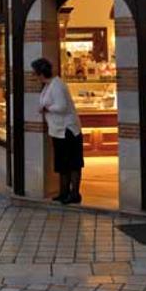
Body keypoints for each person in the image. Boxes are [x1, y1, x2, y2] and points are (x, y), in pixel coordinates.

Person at [32, 57, 83, 204]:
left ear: (42, 73)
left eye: (36, 74)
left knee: (72, 163)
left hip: (68, 130)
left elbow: (61, 107)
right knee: (62, 163)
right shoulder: (49, 85)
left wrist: (46, 108)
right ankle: (64, 192)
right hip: (57, 130)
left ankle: (74, 194)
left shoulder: (57, 85)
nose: (36, 77)